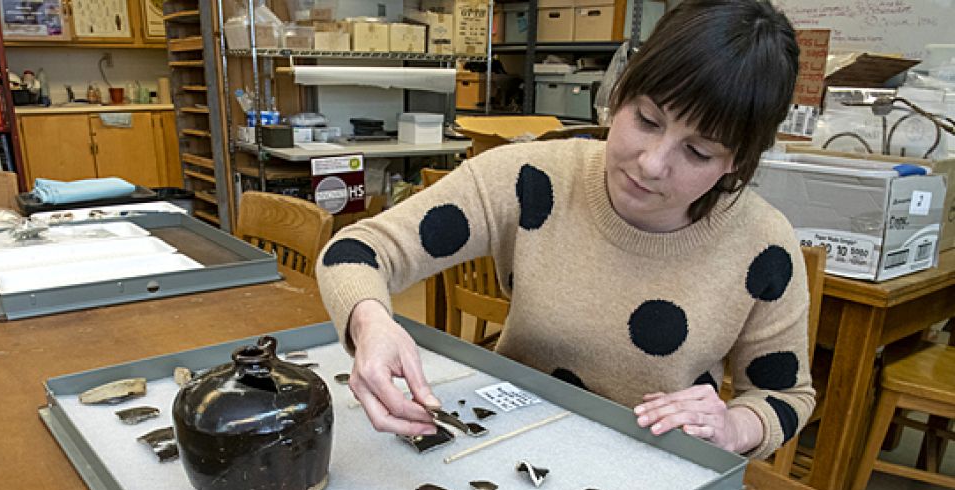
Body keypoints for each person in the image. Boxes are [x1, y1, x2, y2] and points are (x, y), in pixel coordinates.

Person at [316, 0, 814, 459]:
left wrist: (733, 427)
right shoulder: (532, 179)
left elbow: (784, 395)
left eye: (698, 152)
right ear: (617, 96)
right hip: (508, 445)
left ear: (737, 164)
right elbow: (359, 249)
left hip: (653, 469)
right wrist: (371, 321)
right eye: (646, 119)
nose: (652, 163)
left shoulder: (762, 243)